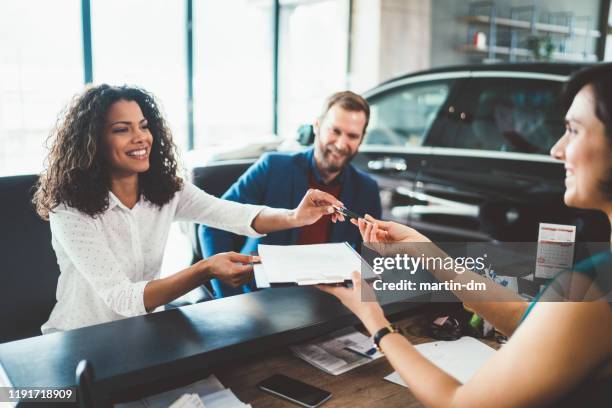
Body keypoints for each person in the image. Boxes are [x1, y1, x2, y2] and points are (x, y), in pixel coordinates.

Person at [318, 64, 612, 407]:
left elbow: (458, 403)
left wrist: (374, 320)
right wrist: (422, 249)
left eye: (574, 131)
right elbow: (526, 318)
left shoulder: (595, 285)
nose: (556, 150)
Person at [33, 84, 343, 334]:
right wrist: (204, 269)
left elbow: (234, 215)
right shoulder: (69, 208)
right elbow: (122, 298)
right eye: (122, 129)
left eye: (143, 125)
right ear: (94, 141)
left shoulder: (166, 190)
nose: (141, 137)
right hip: (79, 338)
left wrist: (295, 216)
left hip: (140, 332)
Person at [200, 91, 381, 297]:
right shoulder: (272, 167)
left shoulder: (367, 188)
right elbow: (212, 225)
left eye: (352, 136)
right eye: (335, 131)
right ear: (317, 126)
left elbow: (370, 258)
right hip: (261, 296)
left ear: (361, 139)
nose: (341, 144)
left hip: (329, 300)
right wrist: (228, 298)